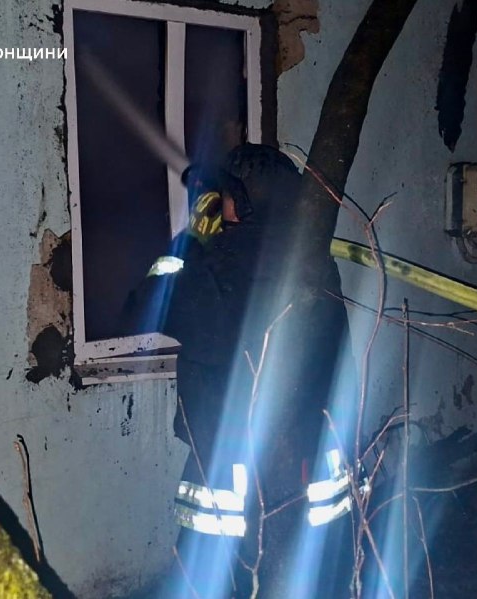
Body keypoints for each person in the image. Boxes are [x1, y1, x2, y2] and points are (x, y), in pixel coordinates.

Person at [128, 144, 356, 598]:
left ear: (246, 203)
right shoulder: (314, 261)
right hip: (311, 462)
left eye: (225, 196)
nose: (218, 204)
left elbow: (141, 309)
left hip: (233, 475)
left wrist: (188, 247)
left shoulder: (219, 266)